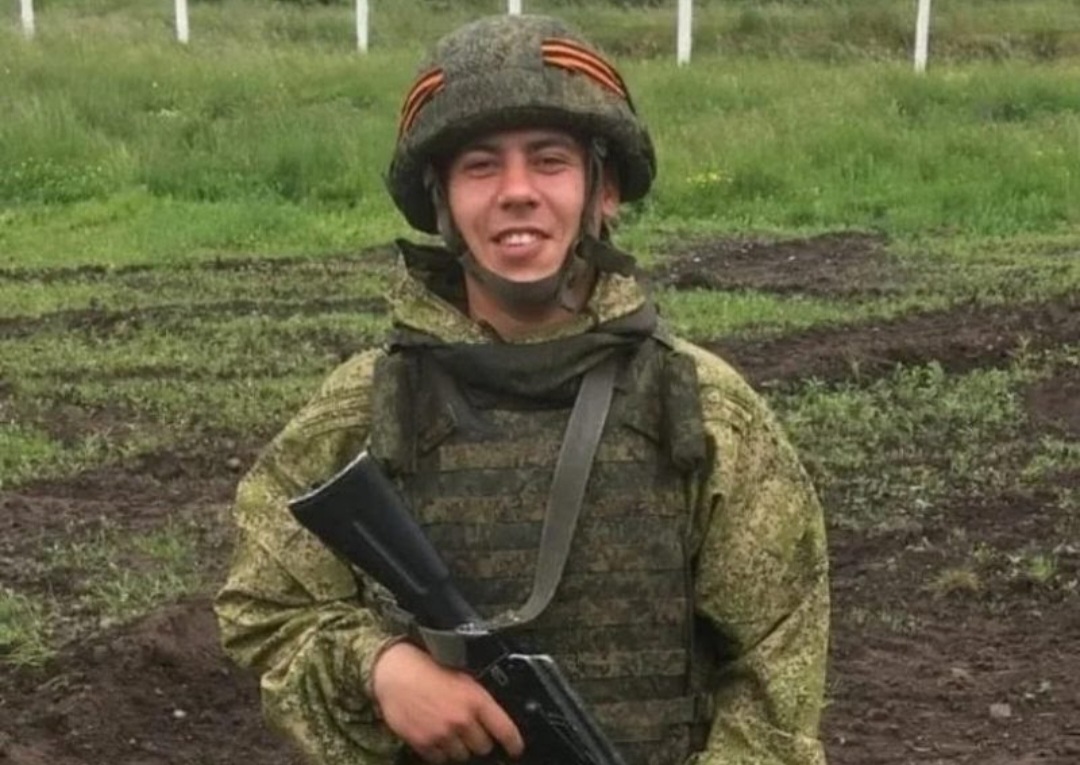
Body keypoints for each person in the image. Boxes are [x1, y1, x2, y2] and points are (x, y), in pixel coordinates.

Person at [215, 13, 830, 765]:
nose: (516, 192)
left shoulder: (702, 409)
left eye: (549, 161)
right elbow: (265, 610)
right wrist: (381, 669)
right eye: (481, 166)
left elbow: (776, 670)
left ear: (603, 190)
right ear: (442, 200)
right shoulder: (364, 408)